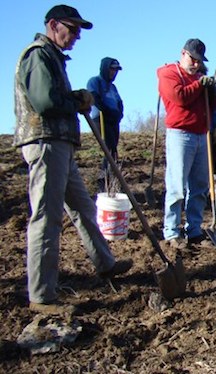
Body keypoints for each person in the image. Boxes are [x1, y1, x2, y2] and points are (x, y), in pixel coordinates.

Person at [13, 4, 132, 315]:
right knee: (47, 218)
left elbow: (54, 97)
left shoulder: (52, 56)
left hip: (61, 145)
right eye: (73, 28)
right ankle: (41, 295)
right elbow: (45, 100)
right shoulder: (38, 54)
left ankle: (105, 263)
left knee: (83, 208)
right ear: (54, 24)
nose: (77, 35)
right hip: (45, 143)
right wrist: (77, 99)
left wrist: (75, 97)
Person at [157, 38, 216, 249]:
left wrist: (211, 90)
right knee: (176, 186)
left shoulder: (200, 78)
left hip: (201, 134)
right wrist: (199, 85)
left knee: (199, 186)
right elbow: (179, 97)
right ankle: (172, 232)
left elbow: (212, 106)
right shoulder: (169, 74)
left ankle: (194, 230)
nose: (196, 64)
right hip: (180, 134)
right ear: (183, 53)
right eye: (193, 59)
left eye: (199, 61)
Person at [87, 57, 124, 191]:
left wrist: (119, 113)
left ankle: (112, 178)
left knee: (113, 150)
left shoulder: (113, 87)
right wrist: (107, 111)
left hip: (113, 120)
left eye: (116, 71)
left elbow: (119, 102)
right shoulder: (95, 81)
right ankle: (103, 180)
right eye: (112, 70)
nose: (114, 73)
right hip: (101, 118)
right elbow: (94, 98)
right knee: (108, 150)